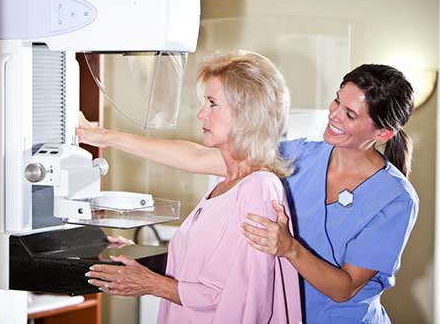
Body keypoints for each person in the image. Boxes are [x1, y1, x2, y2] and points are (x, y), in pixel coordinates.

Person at [78, 63, 419, 323]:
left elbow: (344, 289)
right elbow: (200, 157)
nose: (333, 115)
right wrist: (107, 137)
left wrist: (289, 248)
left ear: (384, 132)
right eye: (336, 101)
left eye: (349, 114)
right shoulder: (302, 155)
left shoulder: (394, 199)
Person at [84, 50, 302, 323]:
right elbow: (209, 271)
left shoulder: (258, 188)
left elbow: (246, 299)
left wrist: (152, 284)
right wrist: (139, 258)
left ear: (247, 113)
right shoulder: (228, 185)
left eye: (212, 104)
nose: (201, 114)